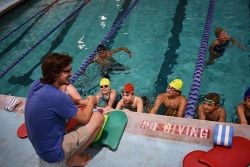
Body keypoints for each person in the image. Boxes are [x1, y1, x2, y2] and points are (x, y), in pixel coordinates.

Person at [25, 53, 104, 166]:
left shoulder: (37, 85)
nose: (71, 74)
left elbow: (62, 101)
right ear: (54, 74)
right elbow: (85, 118)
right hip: (54, 153)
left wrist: (80, 102)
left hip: (41, 146)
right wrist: (91, 100)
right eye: (67, 72)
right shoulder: (57, 96)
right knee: (98, 118)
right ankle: (73, 158)